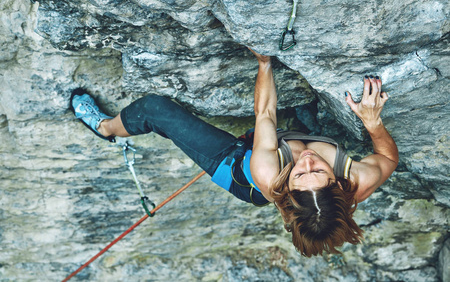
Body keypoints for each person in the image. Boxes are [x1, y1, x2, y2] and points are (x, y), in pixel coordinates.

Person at [70, 49, 398, 257]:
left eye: (301, 173)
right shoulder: (356, 180)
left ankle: (106, 129)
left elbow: (266, 114)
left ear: (289, 186)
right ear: (336, 183)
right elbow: (388, 158)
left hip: (235, 165)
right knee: (283, 132)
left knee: (156, 110)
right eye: (319, 171)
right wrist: (373, 123)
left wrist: (264, 61)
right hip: (276, 142)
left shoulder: (269, 174)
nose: (308, 162)